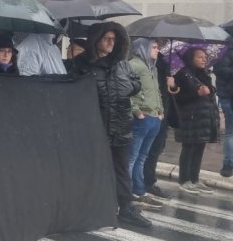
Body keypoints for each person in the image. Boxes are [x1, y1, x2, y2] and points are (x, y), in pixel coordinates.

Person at [71, 22, 148, 228]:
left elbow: (135, 84)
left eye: (114, 39)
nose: (111, 43)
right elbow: (73, 92)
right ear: (96, 40)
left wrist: (128, 86)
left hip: (120, 125)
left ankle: (126, 208)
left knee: (122, 170)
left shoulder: (122, 64)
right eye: (107, 39)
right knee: (91, 171)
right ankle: (88, 208)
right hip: (95, 127)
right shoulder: (81, 63)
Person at [173, 47, 220, 194]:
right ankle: (184, 179)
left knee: (199, 148)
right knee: (189, 148)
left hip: (204, 119)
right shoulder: (182, 74)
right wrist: (196, 93)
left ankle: (194, 179)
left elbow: (209, 94)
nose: (204, 59)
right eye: (200, 57)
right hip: (190, 118)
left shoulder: (204, 74)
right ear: (191, 58)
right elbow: (178, 99)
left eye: (205, 56)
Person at [127, 38, 165, 210]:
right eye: (154, 47)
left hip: (154, 117)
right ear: (143, 48)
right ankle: (125, 192)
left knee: (142, 157)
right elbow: (127, 90)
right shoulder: (134, 65)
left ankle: (138, 190)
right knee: (132, 157)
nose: (157, 50)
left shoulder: (152, 67)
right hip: (142, 118)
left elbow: (156, 92)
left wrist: (160, 111)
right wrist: (137, 112)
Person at [143, 51, 176, 199]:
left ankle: (148, 181)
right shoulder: (147, 64)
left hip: (164, 110)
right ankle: (146, 182)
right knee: (148, 150)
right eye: (154, 45)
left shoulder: (164, 61)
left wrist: (172, 84)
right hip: (152, 112)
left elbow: (171, 90)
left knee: (157, 148)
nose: (157, 48)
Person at [212, 39, 233, 178]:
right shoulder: (225, 49)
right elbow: (219, 70)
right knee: (230, 131)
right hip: (228, 96)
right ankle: (228, 164)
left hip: (226, 94)